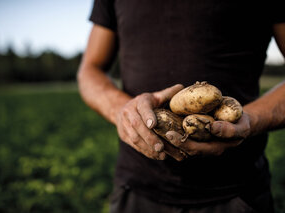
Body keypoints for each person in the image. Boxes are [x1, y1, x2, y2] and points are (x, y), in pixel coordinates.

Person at [77, 0, 285, 212]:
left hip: (238, 193)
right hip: (136, 189)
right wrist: (120, 110)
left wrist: (251, 119)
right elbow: (90, 69)